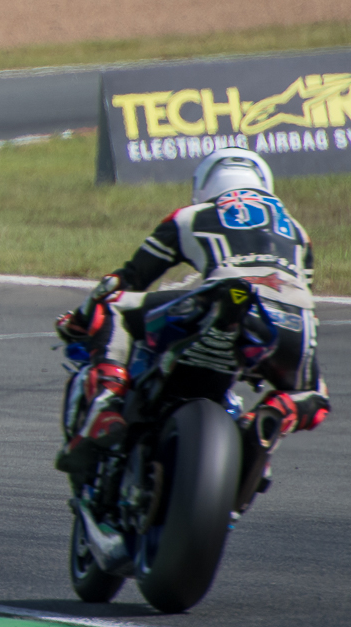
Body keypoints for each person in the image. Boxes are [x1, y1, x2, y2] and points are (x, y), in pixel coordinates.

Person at [55, 148, 329, 477]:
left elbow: (124, 281)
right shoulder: (299, 233)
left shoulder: (190, 216)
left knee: (113, 307)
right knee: (316, 395)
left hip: (225, 297)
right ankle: (272, 416)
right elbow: (304, 299)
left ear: (204, 186)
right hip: (292, 322)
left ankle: (107, 406)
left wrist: (80, 318)